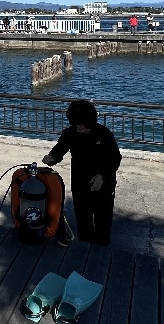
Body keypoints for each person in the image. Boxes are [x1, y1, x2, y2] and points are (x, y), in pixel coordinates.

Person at [42, 99, 121, 246]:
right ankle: (84, 251)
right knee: (83, 225)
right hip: (80, 183)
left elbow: (115, 158)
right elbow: (60, 149)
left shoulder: (103, 134)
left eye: (82, 125)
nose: (79, 128)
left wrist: (102, 176)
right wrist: (51, 158)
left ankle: (101, 251)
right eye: (76, 124)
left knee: (103, 224)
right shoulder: (70, 133)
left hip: (103, 184)